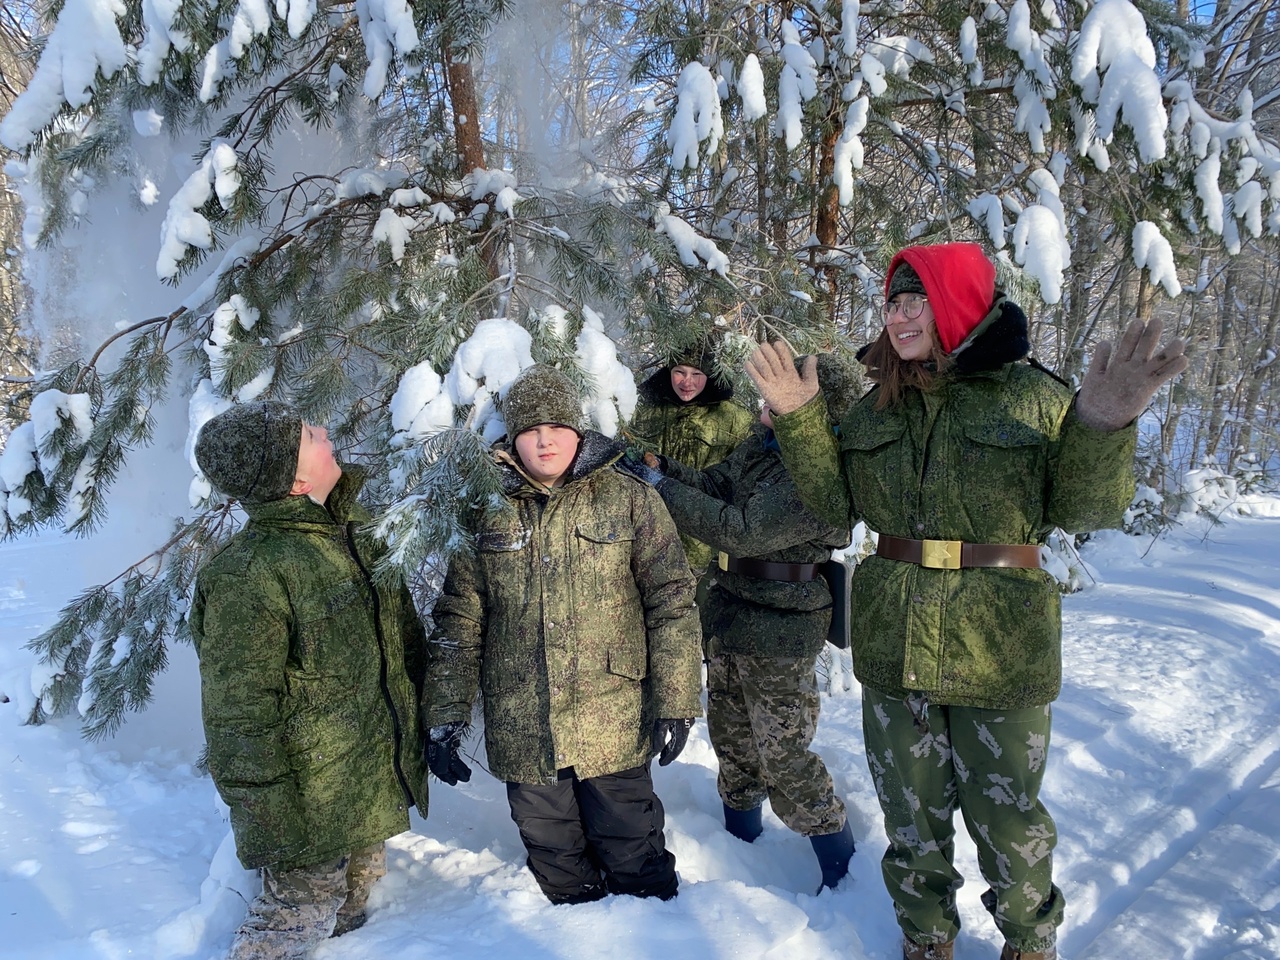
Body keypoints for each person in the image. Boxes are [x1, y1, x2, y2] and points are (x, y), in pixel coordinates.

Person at [746, 242, 1188, 960]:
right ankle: (926, 941)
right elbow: (834, 508)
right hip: (895, 647)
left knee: (1008, 821)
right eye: (891, 302)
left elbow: (1085, 507)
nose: (898, 315)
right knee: (911, 820)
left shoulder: (1033, 396)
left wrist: (1103, 425)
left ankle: (1030, 941)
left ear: (958, 302)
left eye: (915, 299)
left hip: (1000, 649)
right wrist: (799, 421)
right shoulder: (878, 403)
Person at [425, 364, 704, 905]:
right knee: (553, 854)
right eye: (531, 429)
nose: (545, 439)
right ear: (513, 437)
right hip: (523, 722)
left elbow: (671, 602)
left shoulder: (629, 499)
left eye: (557, 426)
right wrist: (446, 714)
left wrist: (676, 698)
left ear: (580, 431)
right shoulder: (485, 509)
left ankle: (654, 934)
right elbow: (460, 618)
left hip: (612, 719)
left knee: (633, 846)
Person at [189, 400, 430, 959]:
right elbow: (238, 713)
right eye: (307, 434)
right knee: (296, 915)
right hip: (308, 800)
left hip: (364, 780)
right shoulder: (251, 574)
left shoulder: (352, 535)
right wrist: (273, 816)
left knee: (353, 898)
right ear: (295, 478)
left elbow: (400, 644)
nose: (324, 430)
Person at [626, 354, 861, 892]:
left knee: (783, 753)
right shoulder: (764, 443)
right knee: (731, 740)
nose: (762, 407)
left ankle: (843, 873)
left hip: (781, 626)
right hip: (731, 610)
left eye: (777, 398)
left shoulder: (821, 471)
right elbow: (714, 485)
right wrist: (651, 465)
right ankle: (741, 851)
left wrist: (658, 489)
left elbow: (740, 529)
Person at [627, 342, 756, 575]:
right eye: (679, 372)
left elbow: (743, 483)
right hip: (646, 541)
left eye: (697, 374)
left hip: (704, 552)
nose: (688, 382)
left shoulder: (735, 419)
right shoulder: (641, 408)